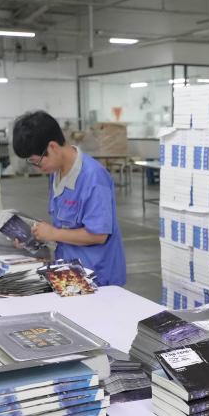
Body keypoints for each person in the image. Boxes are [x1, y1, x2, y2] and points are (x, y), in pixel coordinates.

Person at [11, 110, 127, 286]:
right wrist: (36, 236)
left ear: (52, 147)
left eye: (37, 161)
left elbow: (99, 235)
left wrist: (53, 233)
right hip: (69, 275)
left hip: (97, 278)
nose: (36, 168)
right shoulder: (56, 172)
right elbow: (65, 228)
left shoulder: (93, 177)